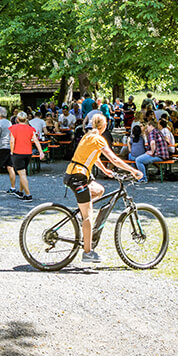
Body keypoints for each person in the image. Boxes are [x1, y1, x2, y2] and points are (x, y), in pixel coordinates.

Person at [65, 112, 141, 263]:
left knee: (99, 190)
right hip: (77, 177)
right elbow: (113, 158)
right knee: (88, 217)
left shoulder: (88, 136)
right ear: (104, 126)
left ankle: (82, 214)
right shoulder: (98, 139)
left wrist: (105, 170)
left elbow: (94, 155)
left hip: (75, 173)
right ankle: (87, 252)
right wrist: (132, 170)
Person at [9, 111, 44, 201]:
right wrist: (41, 152)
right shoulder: (30, 129)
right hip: (28, 153)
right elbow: (36, 140)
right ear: (26, 119)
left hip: (17, 153)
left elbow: (12, 141)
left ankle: (28, 195)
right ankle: (20, 192)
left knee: (22, 174)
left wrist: (12, 152)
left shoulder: (13, 128)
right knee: (23, 172)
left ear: (17, 119)